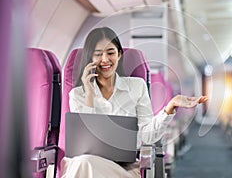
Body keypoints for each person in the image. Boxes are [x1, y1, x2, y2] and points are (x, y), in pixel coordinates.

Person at [60, 27, 208, 178]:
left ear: (119, 55)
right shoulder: (78, 94)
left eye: (110, 52)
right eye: (98, 54)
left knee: (84, 163)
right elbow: (84, 144)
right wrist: (89, 94)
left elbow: (148, 136)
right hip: (83, 162)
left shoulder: (136, 86)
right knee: (85, 161)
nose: (105, 59)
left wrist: (170, 107)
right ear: (90, 58)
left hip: (123, 168)